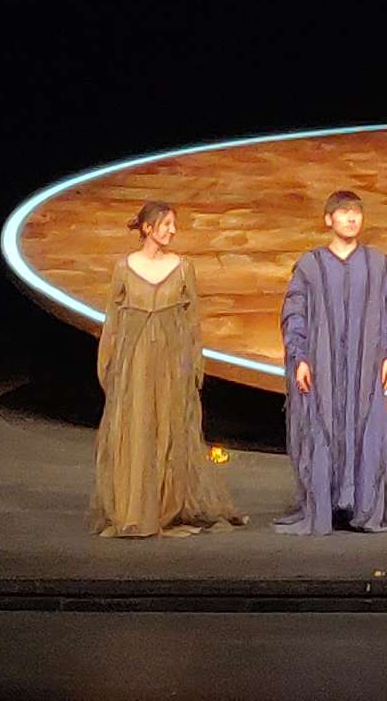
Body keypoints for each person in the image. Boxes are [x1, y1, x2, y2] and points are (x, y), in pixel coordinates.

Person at [91, 201, 243, 538]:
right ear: (148, 228)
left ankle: (163, 507)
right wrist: (108, 366)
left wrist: (193, 365)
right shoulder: (124, 268)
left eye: (174, 225)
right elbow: (112, 323)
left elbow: (192, 324)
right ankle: (134, 508)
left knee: (168, 429)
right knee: (136, 428)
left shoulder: (183, 268)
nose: (172, 231)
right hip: (135, 363)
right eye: (166, 224)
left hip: (171, 362)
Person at [275, 190, 387, 534]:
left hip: (365, 363)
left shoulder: (377, 264)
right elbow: (295, 312)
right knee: (322, 424)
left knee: (367, 427)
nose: (351, 218)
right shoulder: (311, 265)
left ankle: (364, 506)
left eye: (356, 213)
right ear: (328, 219)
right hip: (322, 361)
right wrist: (300, 357)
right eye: (343, 213)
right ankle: (324, 505)